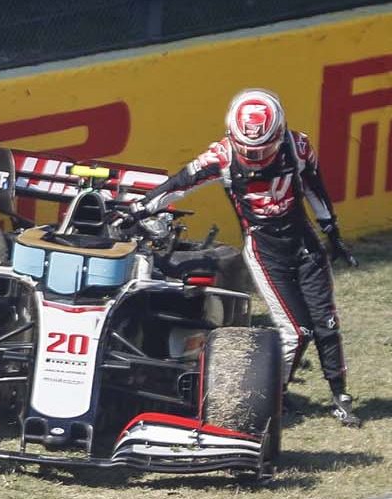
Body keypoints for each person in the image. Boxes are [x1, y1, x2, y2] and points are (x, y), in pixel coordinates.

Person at [121, 88, 362, 427]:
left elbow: (315, 189)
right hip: (264, 251)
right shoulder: (221, 156)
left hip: (304, 245)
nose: (256, 155)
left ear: (278, 134)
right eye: (249, 149)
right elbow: (179, 183)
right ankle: (268, 400)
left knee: (326, 324)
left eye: (263, 148)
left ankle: (340, 396)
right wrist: (138, 209)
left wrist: (332, 234)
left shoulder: (299, 147)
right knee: (296, 332)